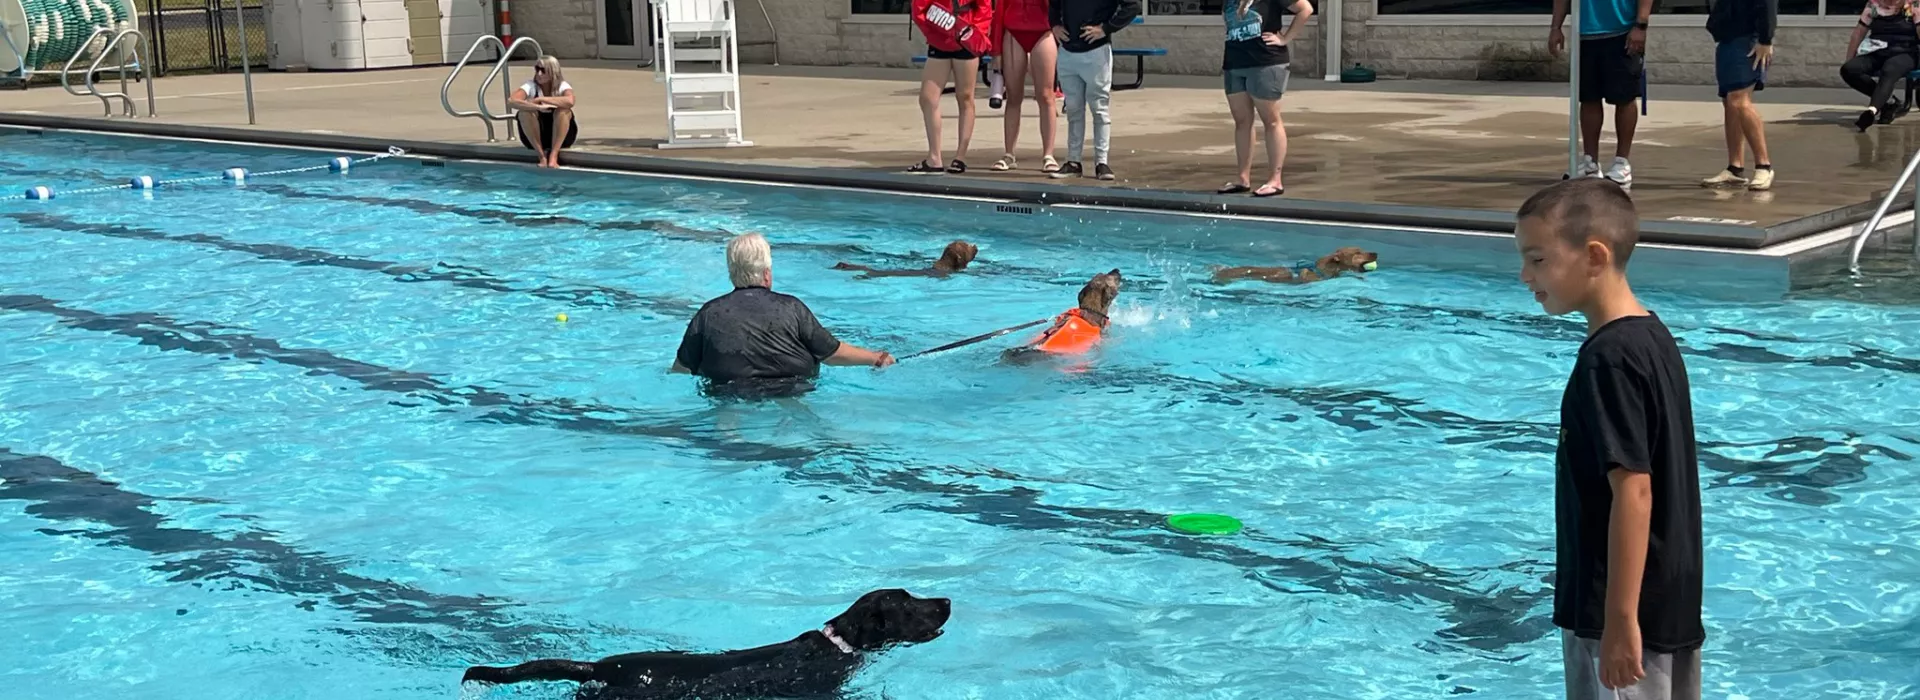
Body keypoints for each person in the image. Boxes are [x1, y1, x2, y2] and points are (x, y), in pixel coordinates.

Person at [1514, 179, 1704, 700]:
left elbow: (1635, 490)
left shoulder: (1608, 360)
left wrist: (1621, 621)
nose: (1525, 275)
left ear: (1594, 256)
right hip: (1668, 605)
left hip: (1620, 621)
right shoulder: (1651, 336)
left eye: (1537, 259)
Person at [673, 234, 896, 391]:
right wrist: (876, 358)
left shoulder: (709, 313)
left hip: (729, 394)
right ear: (767, 273)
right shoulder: (791, 308)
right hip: (790, 390)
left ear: (732, 273)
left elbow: (681, 369)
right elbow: (831, 353)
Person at [1549, 0, 1651, 186]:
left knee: (1624, 97)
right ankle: (1590, 162)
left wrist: (1641, 25)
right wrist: (1556, 26)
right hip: (1584, 35)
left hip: (1623, 32)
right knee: (1589, 98)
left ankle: (1622, 163)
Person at [1218, 0, 1312, 198]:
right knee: (1242, 122)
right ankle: (1242, 179)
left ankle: (1275, 180)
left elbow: (1305, 9)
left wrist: (1285, 38)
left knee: (1271, 120)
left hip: (1266, 62)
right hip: (1234, 63)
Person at [1048, 0, 1140, 181]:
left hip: (1097, 52)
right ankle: (1073, 162)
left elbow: (1133, 6)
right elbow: (1053, 5)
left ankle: (1102, 162)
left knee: (1099, 109)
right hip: (1068, 51)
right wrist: (1055, 25)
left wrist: (1106, 29)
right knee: (1073, 110)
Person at [910, 0, 996, 174]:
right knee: (928, 97)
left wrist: (974, 33)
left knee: (965, 97)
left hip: (966, 38)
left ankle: (960, 157)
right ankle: (934, 158)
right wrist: (935, 35)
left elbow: (985, 8)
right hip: (939, 40)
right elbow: (919, 10)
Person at [1701, 0, 1775, 191]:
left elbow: (1767, 5)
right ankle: (1735, 168)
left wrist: (1765, 40)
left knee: (1739, 100)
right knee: (1729, 102)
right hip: (1727, 38)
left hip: (1748, 39)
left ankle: (1763, 166)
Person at [992, 0, 1062, 173]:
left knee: (1046, 96)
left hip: (1043, 30)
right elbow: (1000, 9)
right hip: (1014, 31)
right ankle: (1009, 153)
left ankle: (1048, 154)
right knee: (1014, 96)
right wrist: (996, 51)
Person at [1841, 0, 1920, 131]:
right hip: (1878, 51)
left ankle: (1872, 111)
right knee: (1849, 69)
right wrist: (1849, 59)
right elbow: (1858, 33)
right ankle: (1888, 104)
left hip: (1906, 52)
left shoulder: (1914, 4)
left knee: (1889, 69)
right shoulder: (1873, 5)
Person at [506, 56, 576, 169]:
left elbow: (570, 101)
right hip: (534, 139)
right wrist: (535, 107)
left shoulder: (562, 86)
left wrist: (542, 99)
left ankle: (553, 156)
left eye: (543, 70)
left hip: (562, 138)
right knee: (524, 112)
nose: (539, 73)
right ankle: (542, 156)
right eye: (537, 68)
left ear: (553, 71)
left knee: (564, 111)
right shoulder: (530, 86)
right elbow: (511, 101)